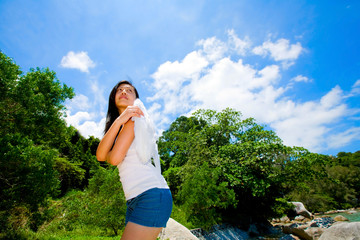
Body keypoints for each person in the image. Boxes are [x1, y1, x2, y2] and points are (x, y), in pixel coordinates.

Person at [96, 80, 172, 240]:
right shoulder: (121, 124)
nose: (124, 92)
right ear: (113, 98)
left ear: (136, 99)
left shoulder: (134, 120)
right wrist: (117, 121)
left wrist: (112, 153)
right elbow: (100, 156)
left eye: (129, 90)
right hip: (134, 198)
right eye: (120, 90)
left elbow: (114, 158)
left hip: (150, 194)